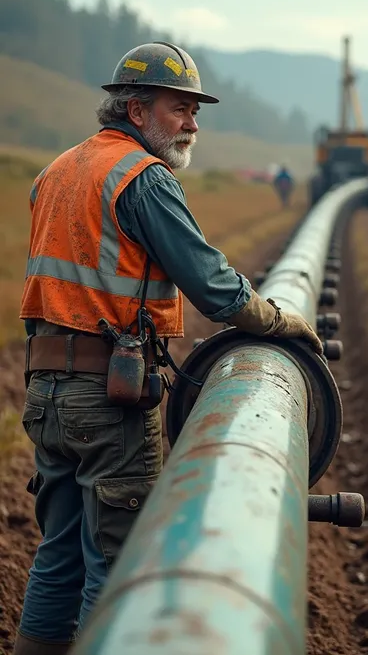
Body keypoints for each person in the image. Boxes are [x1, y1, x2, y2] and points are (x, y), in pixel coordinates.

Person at [13, 41, 323, 655]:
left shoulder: (58, 170)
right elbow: (213, 287)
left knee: (57, 557)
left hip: (48, 391)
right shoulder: (142, 178)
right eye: (180, 108)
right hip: (107, 399)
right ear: (136, 111)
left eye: (195, 111)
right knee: (120, 557)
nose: (192, 124)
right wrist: (282, 322)